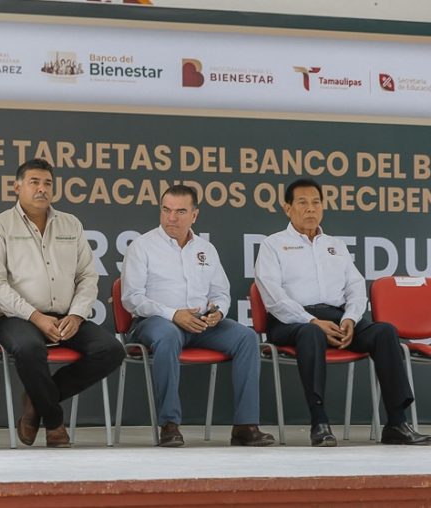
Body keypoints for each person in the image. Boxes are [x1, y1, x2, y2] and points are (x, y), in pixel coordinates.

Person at [254, 178, 430, 447]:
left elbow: (356, 287)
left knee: (384, 332)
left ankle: (397, 423)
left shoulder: (335, 245)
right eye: (302, 203)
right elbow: (273, 298)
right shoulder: (273, 245)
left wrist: (350, 318)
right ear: (287, 208)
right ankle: (320, 423)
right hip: (290, 322)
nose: (310, 208)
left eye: (316, 202)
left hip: (337, 318)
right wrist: (312, 320)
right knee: (311, 333)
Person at [0, 158, 125, 448]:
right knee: (29, 349)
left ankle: (36, 400)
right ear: (17, 187)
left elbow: (87, 276)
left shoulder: (71, 224)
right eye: (34, 182)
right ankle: (54, 421)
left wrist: (77, 315)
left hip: (66, 316)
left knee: (111, 351)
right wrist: (35, 316)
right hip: (17, 318)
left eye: (47, 183)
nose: (42, 189)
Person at [121, 184, 274, 448]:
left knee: (247, 338)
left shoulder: (206, 249)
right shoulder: (142, 246)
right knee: (168, 335)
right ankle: (169, 425)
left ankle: (245, 426)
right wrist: (174, 314)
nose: (171, 218)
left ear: (194, 215)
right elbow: (131, 298)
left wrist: (218, 311)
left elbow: (221, 292)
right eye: (166, 210)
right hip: (155, 322)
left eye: (180, 211)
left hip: (202, 324)